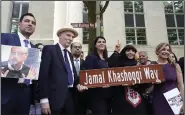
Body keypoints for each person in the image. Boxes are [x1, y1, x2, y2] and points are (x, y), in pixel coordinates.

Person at [38, 25, 87, 115]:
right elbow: (43, 75)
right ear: (60, 35)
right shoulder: (50, 49)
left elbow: (72, 75)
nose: (71, 38)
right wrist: (44, 99)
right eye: (68, 35)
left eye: (72, 37)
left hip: (70, 98)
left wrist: (78, 85)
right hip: (54, 99)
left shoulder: (69, 54)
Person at [1, 13, 37, 115]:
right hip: (7, 92)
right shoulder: (5, 38)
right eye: (27, 21)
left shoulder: (34, 49)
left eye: (33, 23)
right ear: (19, 24)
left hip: (26, 93)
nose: (30, 24)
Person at [108, 45, 148, 114]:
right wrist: (116, 52)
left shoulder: (138, 65)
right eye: (128, 50)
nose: (130, 52)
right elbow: (110, 64)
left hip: (137, 97)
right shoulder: (118, 63)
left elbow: (144, 83)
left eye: (133, 51)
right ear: (124, 52)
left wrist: (135, 84)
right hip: (121, 96)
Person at [81, 36, 112, 115]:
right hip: (97, 96)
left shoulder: (106, 59)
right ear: (95, 45)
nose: (102, 43)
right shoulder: (91, 58)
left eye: (103, 42)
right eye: (99, 42)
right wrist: (100, 83)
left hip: (107, 95)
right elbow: (87, 76)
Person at [152, 43, 184, 115]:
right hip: (159, 98)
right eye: (163, 49)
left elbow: (181, 85)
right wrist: (152, 83)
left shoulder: (175, 65)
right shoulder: (152, 65)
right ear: (157, 51)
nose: (166, 51)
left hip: (174, 99)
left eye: (168, 50)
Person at [70, 42, 89, 115]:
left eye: (79, 47)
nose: (78, 48)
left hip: (82, 96)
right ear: (71, 49)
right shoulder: (66, 62)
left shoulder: (85, 63)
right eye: (75, 47)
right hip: (70, 94)